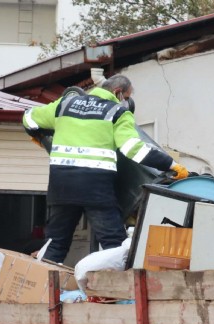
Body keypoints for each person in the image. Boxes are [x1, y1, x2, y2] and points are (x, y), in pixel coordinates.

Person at [23, 74, 188, 263]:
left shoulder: (65, 105)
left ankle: (43, 288)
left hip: (61, 186)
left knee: (56, 243)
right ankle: (120, 291)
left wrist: (40, 135)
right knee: (114, 244)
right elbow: (133, 149)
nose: (126, 102)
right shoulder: (116, 112)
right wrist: (171, 165)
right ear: (118, 92)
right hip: (95, 188)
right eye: (126, 97)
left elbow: (29, 118)